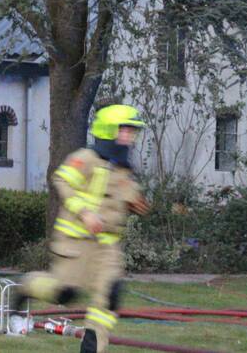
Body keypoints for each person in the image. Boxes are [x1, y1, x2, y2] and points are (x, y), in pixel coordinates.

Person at [10, 104, 152, 353]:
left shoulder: (123, 168)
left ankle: (92, 348)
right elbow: (62, 180)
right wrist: (84, 212)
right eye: (126, 130)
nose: (130, 137)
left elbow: (129, 199)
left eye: (133, 132)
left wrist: (138, 204)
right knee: (65, 294)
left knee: (110, 295)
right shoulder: (86, 159)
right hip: (75, 244)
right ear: (109, 130)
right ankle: (26, 287)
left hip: (108, 247)